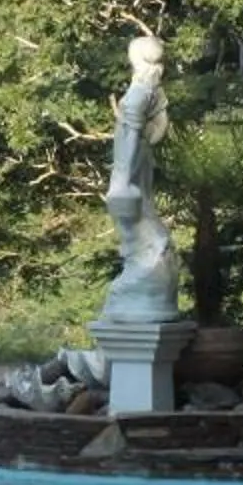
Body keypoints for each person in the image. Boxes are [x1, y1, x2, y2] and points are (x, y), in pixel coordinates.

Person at [100, 34, 182, 321]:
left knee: (130, 214)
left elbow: (130, 140)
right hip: (142, 156)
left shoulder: (138, 94)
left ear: (135, 59)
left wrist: (121, 180)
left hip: (131, 158)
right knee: (141, 209)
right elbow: (160, 125)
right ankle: (148, 263)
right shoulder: (151, 90)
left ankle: (146, 265)